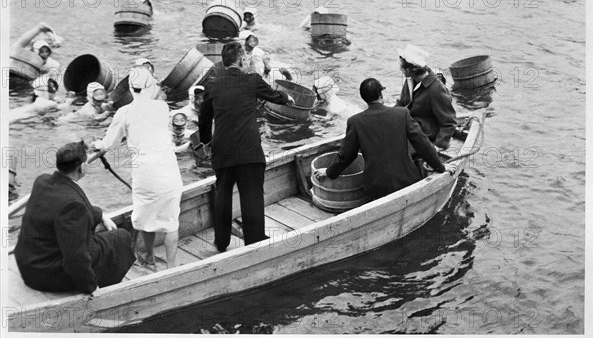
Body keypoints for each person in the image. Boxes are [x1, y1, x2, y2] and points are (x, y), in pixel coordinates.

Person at [198, 42, 295, 252]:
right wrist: (287, 97)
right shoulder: (252, 80)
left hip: (222, 150)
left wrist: (206, 142)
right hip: (249, 151)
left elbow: (204, 119)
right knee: (252, 195)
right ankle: (254, 242)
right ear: (242, 60)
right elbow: (275, 95)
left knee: (222, 194)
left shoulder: (212, 85)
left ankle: (221, 242)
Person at [14, 141, 135, 293]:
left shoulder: (42, 181)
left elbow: (61, 206)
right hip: (47, 276)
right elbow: (75, 257)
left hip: (28, 266)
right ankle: (109, 281)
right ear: (82, 167)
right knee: (121, 237)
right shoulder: (73, 206)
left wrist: (100, 214)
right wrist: (91, 287)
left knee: (104, 238)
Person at [92, 67, 183, 269]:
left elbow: (110, 143)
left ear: (131, 89)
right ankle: (172, 266)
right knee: (171, 220)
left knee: (145, 216)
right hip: (168, 168)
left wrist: (99, 145)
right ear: (150, 86)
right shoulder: (162, 107)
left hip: (145, 172)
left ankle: (148, 256)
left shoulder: (125, 112)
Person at [315, 78, 456, 200]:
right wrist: (441, 167)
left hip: (376, 186)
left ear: (364, 98)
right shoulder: (402, 114)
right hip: (407, 180)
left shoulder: (355, 121)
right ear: (381, 94)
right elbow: (423, 144)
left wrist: (329, 172)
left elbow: (346, 156)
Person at [395, 44, 457, 151]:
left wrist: (438, 146)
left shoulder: (436, 89)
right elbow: (402, 103)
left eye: (403, 67)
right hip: (409, 128)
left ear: (412, 69)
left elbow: (449, 122)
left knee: (397, 152)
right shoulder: (410, 80)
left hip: (425, 136)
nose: (401, 69)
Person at [8, 72, 75, 123]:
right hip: (21, 115)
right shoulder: (49, 103)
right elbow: (64, 106)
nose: (54, 90)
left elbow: (55, 98)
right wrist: (70, 99)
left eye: (54, 86)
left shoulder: (39, 99)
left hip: (20, 111)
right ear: (44, 90)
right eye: (51, 88)